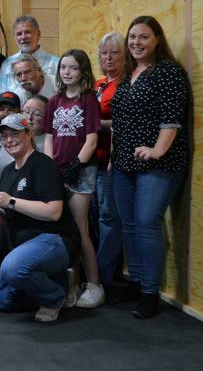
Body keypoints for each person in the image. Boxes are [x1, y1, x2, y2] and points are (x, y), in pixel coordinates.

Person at [110, 16, 189, 319]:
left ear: (157, 39)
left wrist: (157, 150)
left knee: (146, 222)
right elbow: (120, 119)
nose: (136, 43)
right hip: (123, 162)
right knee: (129, 224)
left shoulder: (168, 72)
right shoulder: (129, 73)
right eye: (132, 37)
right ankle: (138, 281)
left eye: (144, 37)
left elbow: (172, 118)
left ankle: (150, 293)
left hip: (159, 163)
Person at [0, 113, 80, 323]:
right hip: (24, 245)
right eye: (5, 136)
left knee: (13, 268)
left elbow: (53, 212)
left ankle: (55, 297)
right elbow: (12, 211)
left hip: (55, 238)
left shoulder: (42, 164)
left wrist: (10, 201)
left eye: (15, 133)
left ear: (28, 134)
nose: (9, 140)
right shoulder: (8, 171)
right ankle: (55, 281)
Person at [42, 49, 104, 308]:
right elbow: (48, 137)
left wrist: (76, 166)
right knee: (62, 230)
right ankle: (72, 283)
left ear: (83, 71)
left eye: (73, 68)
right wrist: (50, 167)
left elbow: (92, 139)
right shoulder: (55, 100)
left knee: (80, 228)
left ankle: (94, 284)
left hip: (81, 172)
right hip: (58, 171)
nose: (67, 72)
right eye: (63, 67)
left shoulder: (88, 99)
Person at [93, 32, 126, 290]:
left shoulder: (125, 84)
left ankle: (105, 276)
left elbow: (126, 122)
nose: (108, 57)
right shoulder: (99, 84)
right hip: (91, 160)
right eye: (105, 53)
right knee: (96, 217)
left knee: (109, 218)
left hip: (111, 162)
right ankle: (94, 271)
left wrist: (95, 124)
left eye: (114, 52)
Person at [0, 16, 59, 96]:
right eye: (19, 34)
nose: (23, 37)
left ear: (38, 34)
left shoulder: (56, 63)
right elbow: (1, 97)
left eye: (27, 32)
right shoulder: (7, 64)